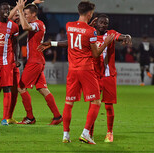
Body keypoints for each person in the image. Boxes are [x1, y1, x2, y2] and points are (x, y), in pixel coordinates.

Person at [38, 1, 114, 144]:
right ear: (90, 13)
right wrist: (106, 42)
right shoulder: (91, 31)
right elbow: (96, 53)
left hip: (72, 70)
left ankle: (66, 135)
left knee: (69, 103)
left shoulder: (69, 26)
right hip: (86, 70)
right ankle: (85, 133)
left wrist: (52, 43)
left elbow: (72, 40)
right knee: (96, 101)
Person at [15, 0, 62, 125]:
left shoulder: (37, 24)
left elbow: (25, 27)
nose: (24, 16)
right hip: (37, 60)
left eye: (26, 14)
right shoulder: (36, 22)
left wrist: (20, 10)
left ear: (34, 14)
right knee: (42, 89)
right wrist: (32, 3)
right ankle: (57, 116)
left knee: (21, 87)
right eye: (24, 14)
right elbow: (24, 23)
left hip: (34, 61)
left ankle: (30, 117)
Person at [86, 14, 131, 142]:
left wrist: (127, 37)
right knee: (92, 105)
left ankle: (109, 132)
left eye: (106, 23)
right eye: (101, 22)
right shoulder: (91, 34)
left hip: (108, 75)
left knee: (108, 105)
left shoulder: (110, 34)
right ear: (96, 23)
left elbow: (120, 36)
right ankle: (90, 132)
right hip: (94, 75)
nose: (103, 25)